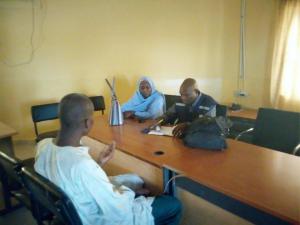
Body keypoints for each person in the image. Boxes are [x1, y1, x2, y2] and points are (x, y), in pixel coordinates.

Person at [34, 93, 181, 225]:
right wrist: (133, 194)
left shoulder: (43, 146)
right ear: (87, 123)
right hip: (98, 219)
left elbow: (74, 176)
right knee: (173, 205)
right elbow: (117, 208)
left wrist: (99, 163)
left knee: (136, 179)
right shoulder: (82, 165)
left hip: (72, 207)